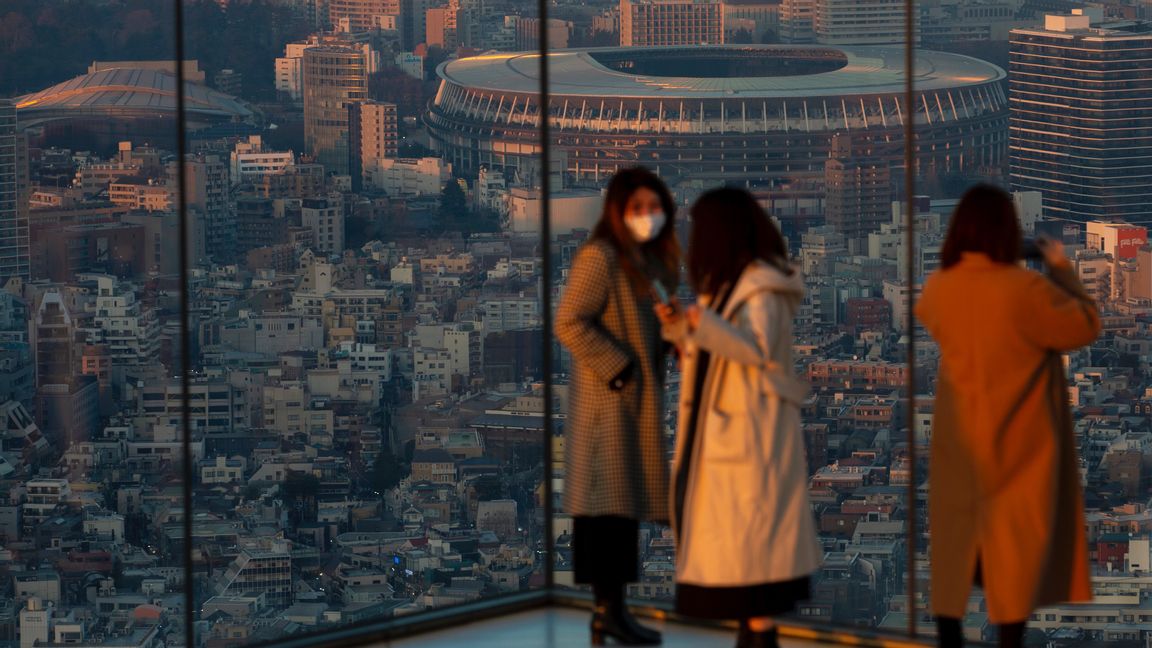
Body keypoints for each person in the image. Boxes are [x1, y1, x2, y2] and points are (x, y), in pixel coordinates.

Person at [915, 185, 1100, 648]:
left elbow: (933, 308)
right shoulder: (1026, 290)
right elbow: (1085, 325)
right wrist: (1059, 267)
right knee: (1012, 579)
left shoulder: (941, 288)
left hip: (958, 447)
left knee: (956, 567)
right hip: (1018, 448)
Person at [656, 187, 820, 648]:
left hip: (751, 436)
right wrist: (681, 330)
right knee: (747, 577)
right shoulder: (729, 285)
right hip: (727, 432)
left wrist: (700, 324)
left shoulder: (762, 287)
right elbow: (713, 357)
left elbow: (756, 351)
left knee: (754, 571)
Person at [555, 167, 680, 646]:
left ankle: (613, 611)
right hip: (607, 404)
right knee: (610, 511)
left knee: (621, 513)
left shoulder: (643, 260)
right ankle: (608, 612)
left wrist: (666, 337)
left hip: (632, 402)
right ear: (617, 211)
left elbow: (638, 324)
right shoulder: (601, 257)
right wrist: (620, 368)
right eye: (638, 209)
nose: (649, 217)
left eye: (654, 208)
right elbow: (569, 321)